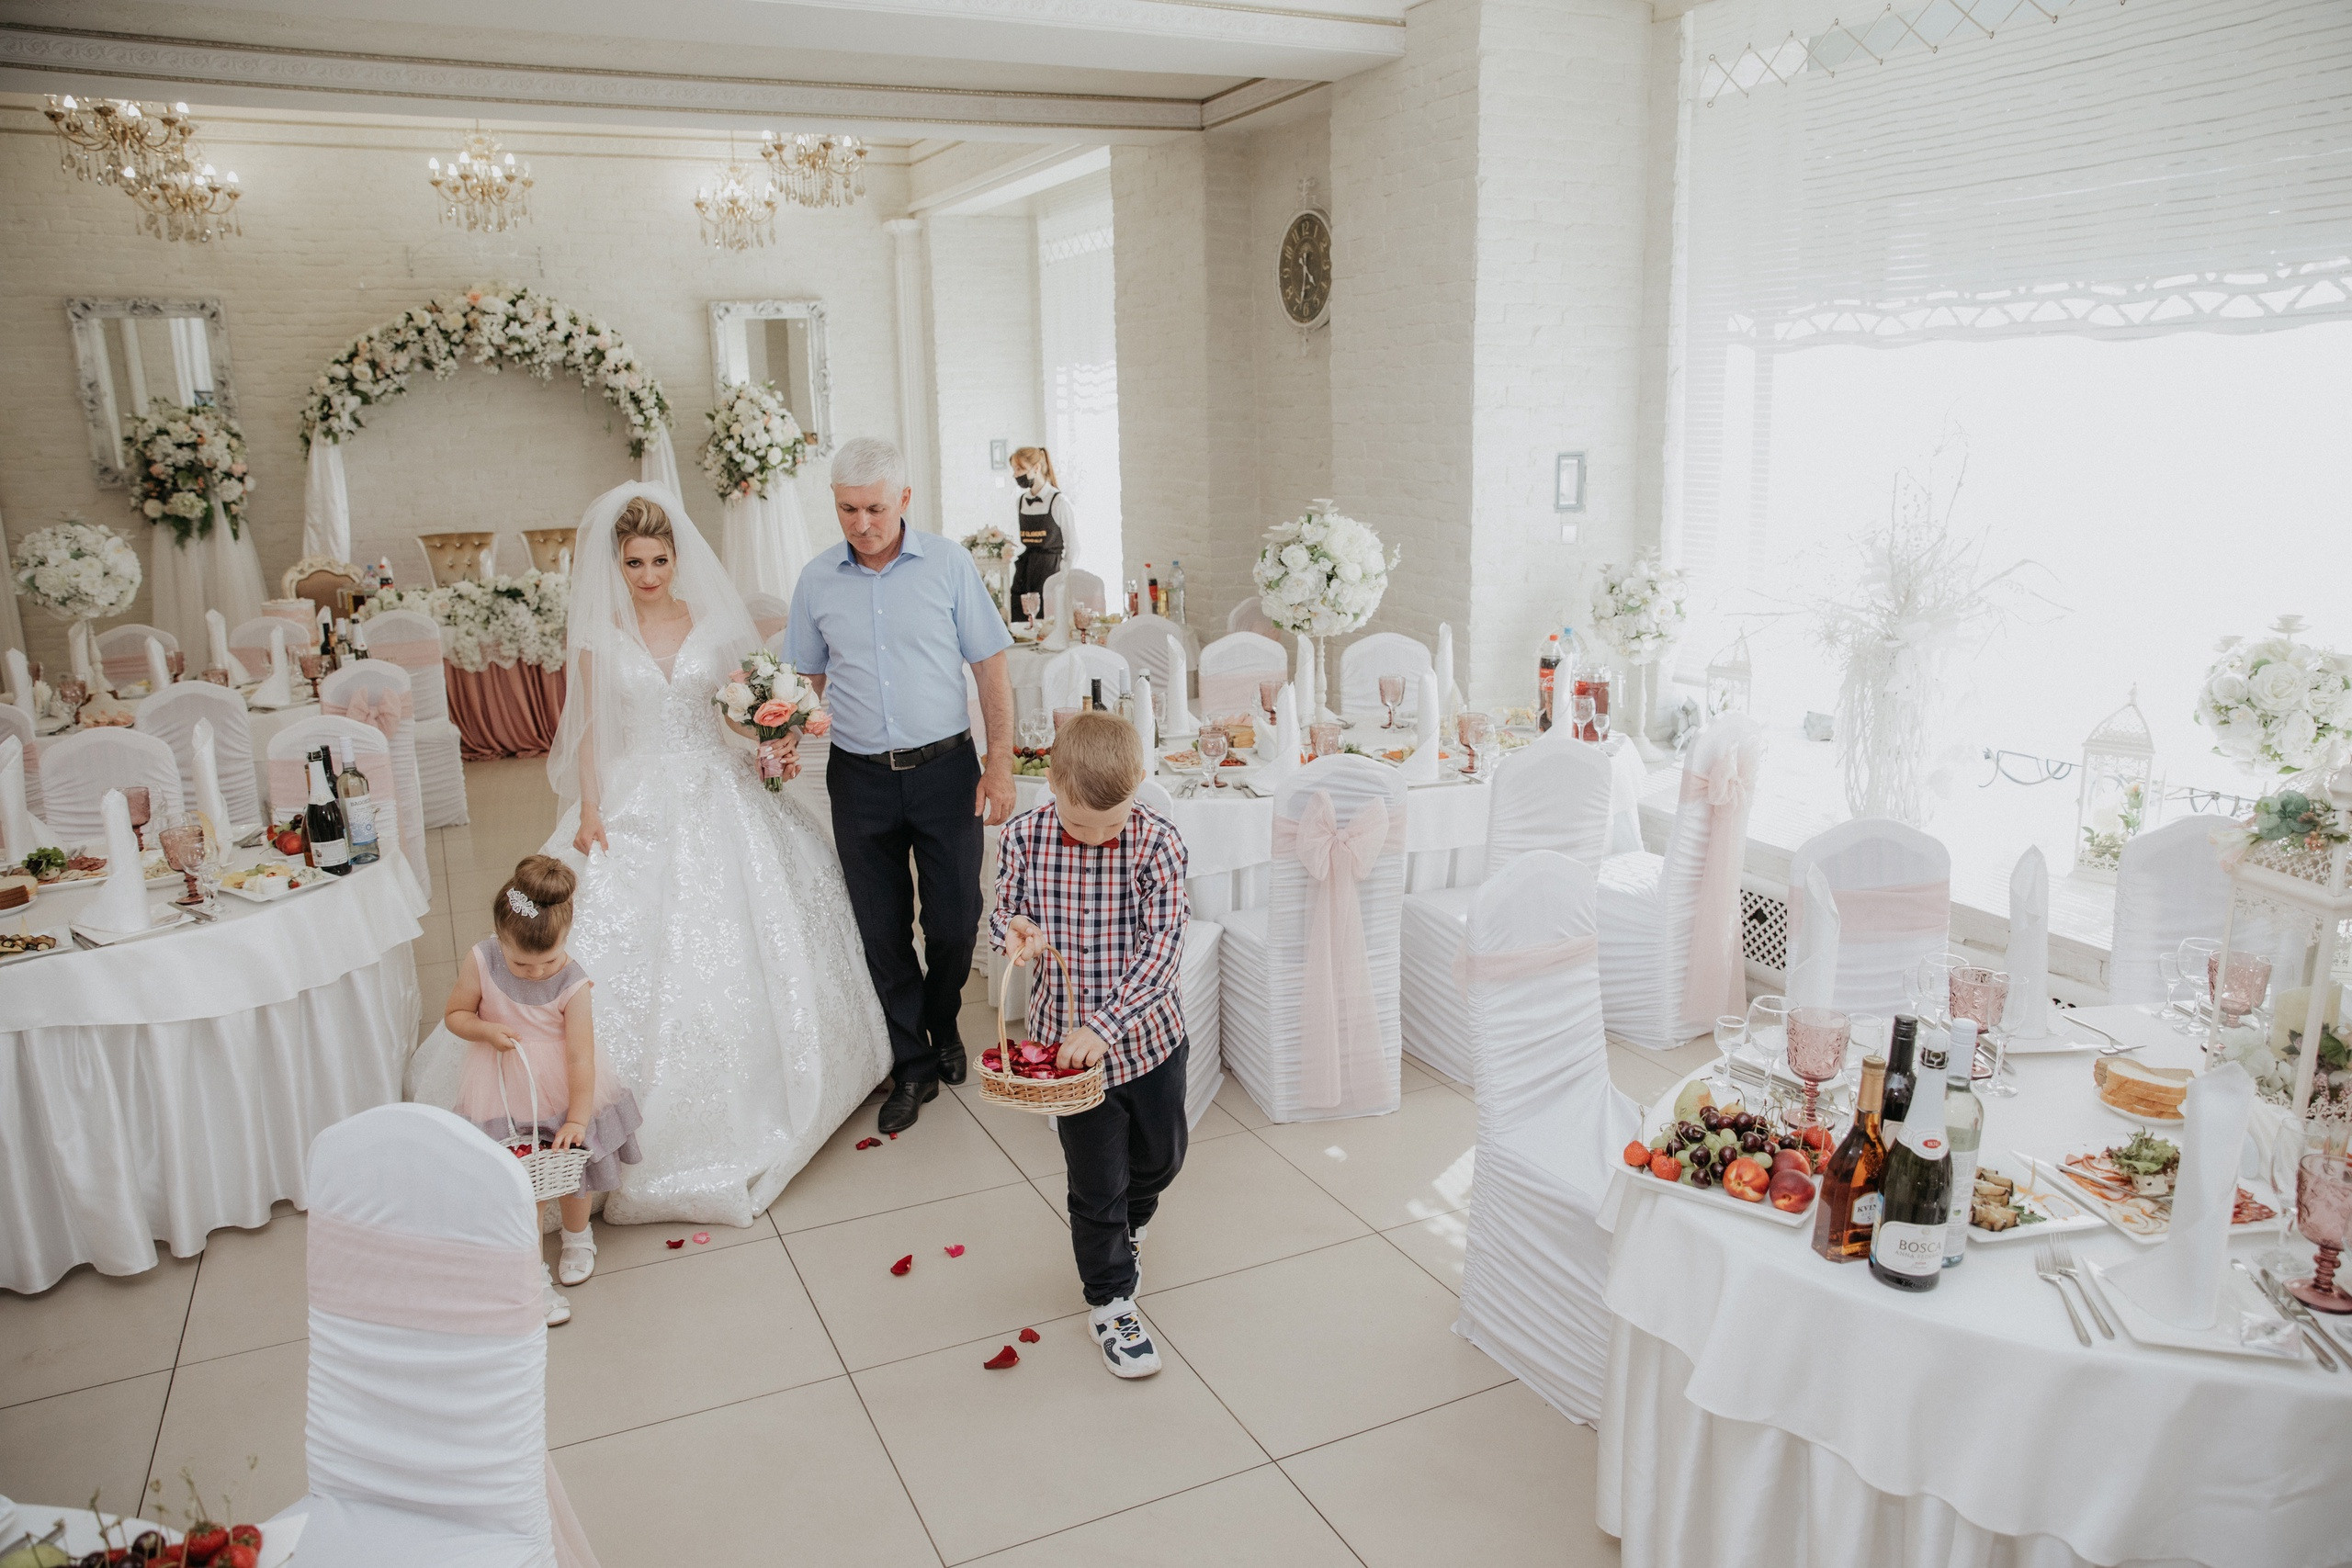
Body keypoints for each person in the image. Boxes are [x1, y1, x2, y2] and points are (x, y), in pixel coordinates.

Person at [437, 482, 890, 1229]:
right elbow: (587, 729)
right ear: (616, 563)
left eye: (658, 559)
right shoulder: (599, 634)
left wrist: (773, 733)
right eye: (634, 561)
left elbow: (738, 710)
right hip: (633, 792)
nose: (648, 574)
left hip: (718, 786)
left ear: (678, 556)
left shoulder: (711, 626)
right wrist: (588, 807)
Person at [784, 437, 1017, 1134]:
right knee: (879, 928)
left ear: (905, 500)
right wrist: (780, 734)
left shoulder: (948, 564)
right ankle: (914, 1061)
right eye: (847, 509)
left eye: (875, 508)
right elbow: (806, 680)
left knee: (953, 921)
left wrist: (999, 761)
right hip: (858, 777)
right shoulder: (817, 580)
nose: (861, 523)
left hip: (947, 770)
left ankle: (939, 1018)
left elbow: (991, 670)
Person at [992, 711, 1190, 1379]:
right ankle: (1110, 1299)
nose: (1099, 836)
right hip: (1065, 1059)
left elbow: (1164, 949)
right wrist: (1017, 931)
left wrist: (1105, 1026)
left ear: (1139, 783)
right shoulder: (1023, 836)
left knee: (1160, 1161)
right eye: (1081, 824)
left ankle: (1132, 1219)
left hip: (1150, 1041)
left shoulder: (1158, 843)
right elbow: (1004, 908)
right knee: (1095, 1182)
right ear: (1051, 783)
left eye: (1114, 821)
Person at [437, 854, 643, 1326]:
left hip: (563, 1087)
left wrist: (576, 1116)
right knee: (526, 1184)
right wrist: (485, 1031)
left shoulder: (573, 982)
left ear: (566, 939)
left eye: (548, 960)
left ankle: (577, 1237)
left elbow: (580, 1057)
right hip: (504, 1087)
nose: (533, 972)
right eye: (519, 963)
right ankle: (532, 1274)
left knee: (572, 1172)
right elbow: (456, 1014)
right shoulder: (481, 960)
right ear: (499, 939)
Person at [1006, 446, 1071, 615]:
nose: (1015, 475)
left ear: (1036, 468)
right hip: (1025, 571)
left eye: (1020, 469)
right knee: (1020, 621)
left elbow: (1074, 546)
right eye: (1014, 469)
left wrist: (1063, 579)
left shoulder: (1058, 502)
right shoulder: (1021, 501)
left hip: (1051, 571)